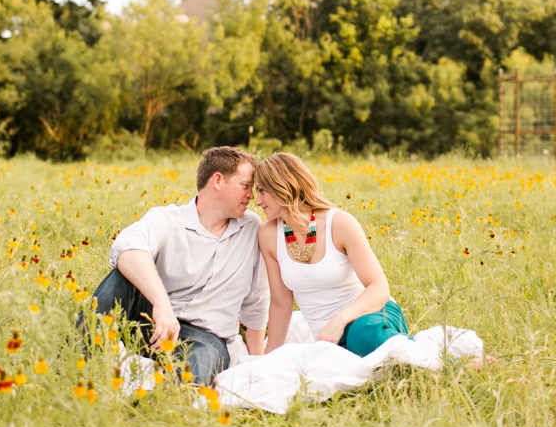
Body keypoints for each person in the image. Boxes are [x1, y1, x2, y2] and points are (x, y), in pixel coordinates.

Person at [86, 146, 268, 384]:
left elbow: (257, 301)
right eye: (245, 186)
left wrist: (260, 364)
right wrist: (161, 305)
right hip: (151, 324)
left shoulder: (252, 228)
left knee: (200, 366)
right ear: (218, 181)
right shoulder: (169, 219)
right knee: (124, 273)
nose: (251, 196)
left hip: (206, 338)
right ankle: (82, 357)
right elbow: (126, 245)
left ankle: (170, 404)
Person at [254, 152, 408, 356]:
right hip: (328, 337)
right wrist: (269, 358)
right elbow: (281, 303)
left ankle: (433, 362)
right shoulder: (268, 235)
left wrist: (340, 319)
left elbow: (379, 288)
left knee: (363, 335)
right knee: (339, 358)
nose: (257, 201)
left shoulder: (340, 223)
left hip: (372, 316)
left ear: (282, 186)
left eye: (262, 191)